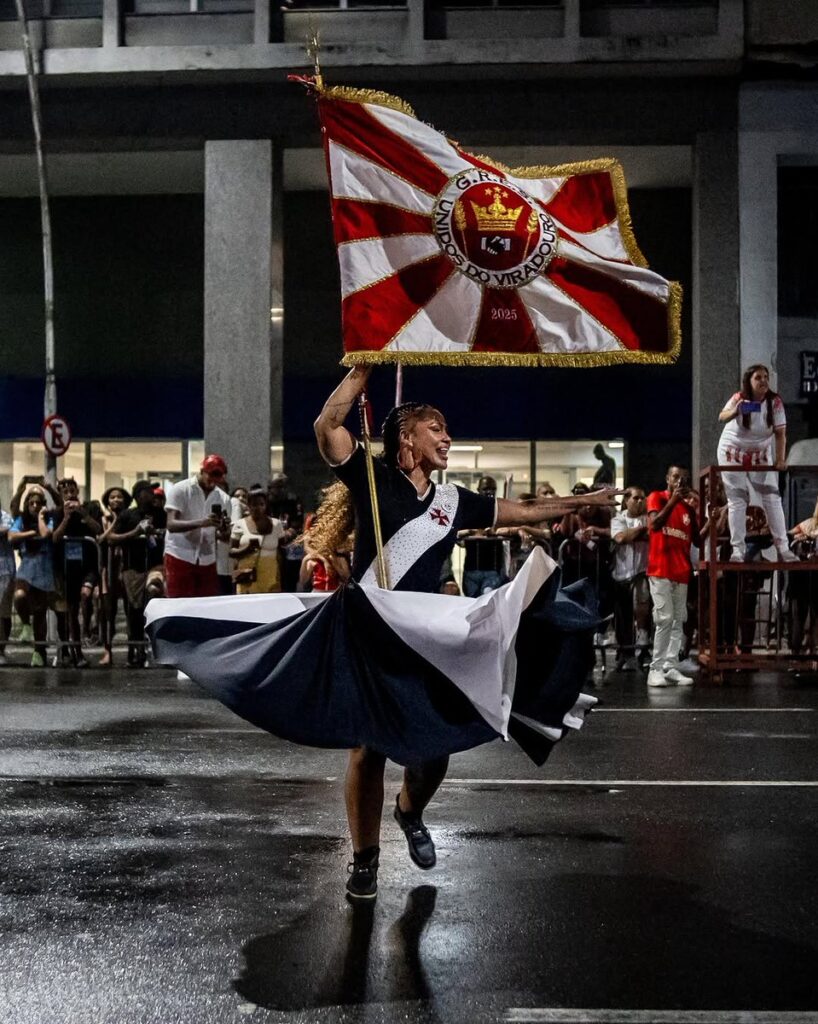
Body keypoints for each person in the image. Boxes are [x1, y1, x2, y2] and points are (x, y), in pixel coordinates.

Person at [313, 366, 613, 900]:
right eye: (437, 427)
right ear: (407, 437)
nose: (447, 437)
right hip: (372, 634)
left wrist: (580, 503)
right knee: (368, 748)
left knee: (435, 747)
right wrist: (362, 368)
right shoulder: (372, 479)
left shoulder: (453, 501)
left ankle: (410, 812)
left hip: (427, 639)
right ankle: (364, 861)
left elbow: (520, 511)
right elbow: (327, 425)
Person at [717, 364, 797, 563]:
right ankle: (737, 551)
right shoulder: (739, 397)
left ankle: (784, 548)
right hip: (732, 451)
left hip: (760, 452)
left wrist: (780, 459)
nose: (763, 381)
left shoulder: (775, 402)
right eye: (758, 378)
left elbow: (780, 434)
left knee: (772, 497)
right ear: (749, 382)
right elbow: (722, 416)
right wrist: (736, 411)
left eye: (765, 377)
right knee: (737, 499)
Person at [646, 466, 700, 688]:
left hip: (681, 571)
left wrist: (702, 515)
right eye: (676, 477)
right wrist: (673, 501)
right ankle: (655, 669)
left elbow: (697, 540)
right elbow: (654, 525)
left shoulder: (688, 508)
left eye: (684, 479)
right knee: (664, 619)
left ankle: (670, 666)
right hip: (660, 569)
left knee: (678, 620)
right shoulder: (656, 497)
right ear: (668, 478)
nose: (680, 481)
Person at [107, 481, 167, 667]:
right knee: (134, 610)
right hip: (133, 568)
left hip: (155, 565)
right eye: (147, 491)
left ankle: (157, 647)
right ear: (139, 494)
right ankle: (135, 650)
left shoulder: (161, 514)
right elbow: (111, 537)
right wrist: (136, 532)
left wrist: (158, 532)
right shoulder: (127, 515)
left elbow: (170, 531)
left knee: (154, 592)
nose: (151, 494)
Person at [164, 455, 231, 598]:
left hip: (207, 557)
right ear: (202, 471)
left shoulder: (223, 498)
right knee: (179, 602)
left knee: (205, 604)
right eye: (212, 474)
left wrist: (224, 529)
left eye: (219, 476)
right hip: (180, 554)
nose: (214, 480)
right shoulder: (181, 489)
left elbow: (223, 536)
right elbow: (171, 524)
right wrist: (202, 522)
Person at [52, 478, 102, 668]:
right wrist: (65, 517)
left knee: (85, 593)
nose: (70, 495)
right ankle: (76, 650)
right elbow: (55, 538)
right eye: (66, 493)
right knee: (71, 611)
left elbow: (98, 530)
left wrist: (84, 515)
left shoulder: (87, 510)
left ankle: (87, 628)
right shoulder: (57, 513)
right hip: (67, 567)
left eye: (73, 491)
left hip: (87, 565)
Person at [9, 486, 55, 668]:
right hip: (27, 566)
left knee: (40, 613)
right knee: (19, 596)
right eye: (31, 503)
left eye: (38, 503)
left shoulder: (49, 518)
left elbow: (45, 533)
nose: (35, 506)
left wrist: (41, 517)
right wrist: (30, 533)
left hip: (43, 567)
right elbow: (12, 537)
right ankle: (25, 625)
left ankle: (39, 651)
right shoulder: (22, 520)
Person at [610, 487, 651, 671]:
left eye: (643, 498)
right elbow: (620, 538)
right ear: (626, 500)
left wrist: (632, 534)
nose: (640, 501)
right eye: (636, 498)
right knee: (622, 616)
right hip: (621, 573)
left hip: (642, 571)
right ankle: (625, 653)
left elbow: (651, 535)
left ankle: (643, 644)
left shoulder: (649, 517)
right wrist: (641, 530)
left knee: (642, 603)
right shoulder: (618, 519)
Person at [297, 481, 354, 592]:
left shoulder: (339, 521)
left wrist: (332, 560)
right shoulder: (313, 519)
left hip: (335, 590)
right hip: (318, 588)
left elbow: (347, 577)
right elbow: (307, 544)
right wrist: (322, 559)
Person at [230, 487, 288, 595]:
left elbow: (281, 550)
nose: (258, 508)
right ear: (248, 506)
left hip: (271, 577)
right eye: (254, 505)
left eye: (261, 504)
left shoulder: (276, 524)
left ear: (266, 506)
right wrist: (247, 549)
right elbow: (232, 551)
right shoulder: (239, 525)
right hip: (248, 577)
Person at [458, 476, 509, 596]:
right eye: (486, 488)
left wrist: (498, 531)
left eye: (493, 489)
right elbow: (456, 534)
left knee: (488, 603)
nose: (489, 492)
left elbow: (512, 528)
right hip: (471, 569)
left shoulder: (500, 510)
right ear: (478, 489)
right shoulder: (469, 510)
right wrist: (469, 532)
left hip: (493, 569)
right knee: (471, 605)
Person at [0, 496, 15, 666]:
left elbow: (8, 529)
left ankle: (1, 649)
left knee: (3, 612)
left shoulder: (4, 516)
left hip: (4, 570)